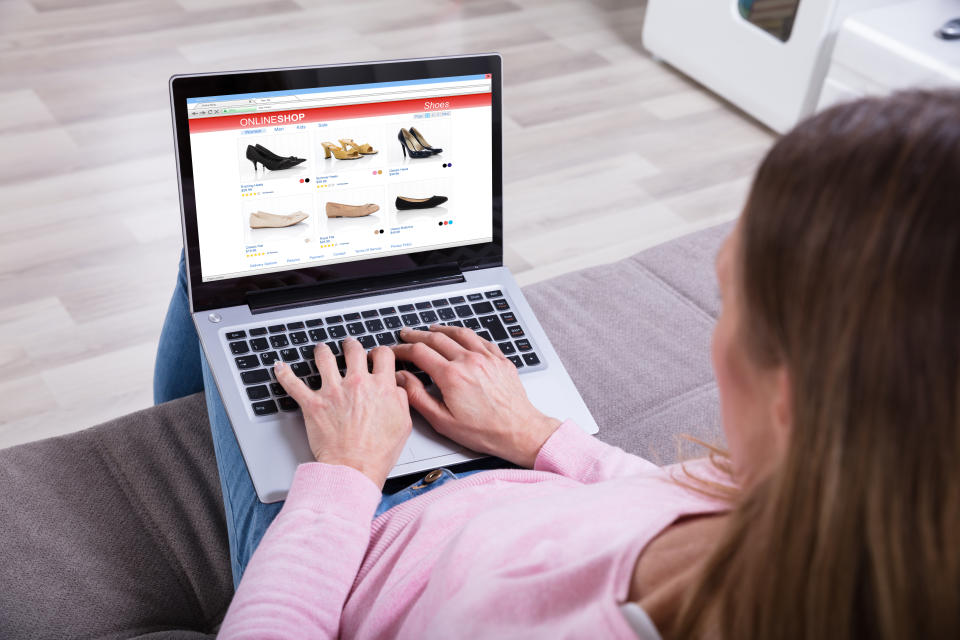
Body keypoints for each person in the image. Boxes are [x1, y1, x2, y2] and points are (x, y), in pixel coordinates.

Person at [154, 89, 960, 639]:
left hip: (348, 550)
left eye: (729, 298)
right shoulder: (851, 508)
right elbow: (650, 503)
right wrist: (537, 432)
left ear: (791, 398)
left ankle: (181, 441)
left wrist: (345, 476)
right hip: (501, 474)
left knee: (219, 259)